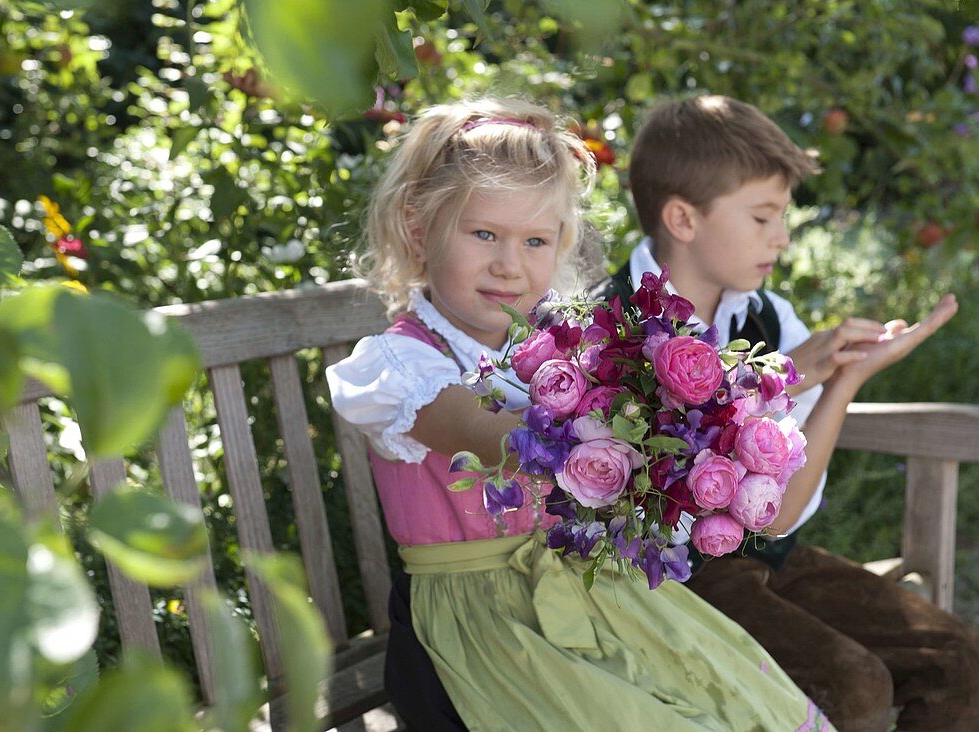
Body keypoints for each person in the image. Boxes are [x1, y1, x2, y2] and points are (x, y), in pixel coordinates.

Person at [326, 98, 834, 730]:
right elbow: (485, 433)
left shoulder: (553, 346)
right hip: (478, 628)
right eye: (484, 234)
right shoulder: (401, 365)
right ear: (416, 230)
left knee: (742, 705)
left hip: (589, 595)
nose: (509, 264)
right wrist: (625, 432)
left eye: (535, 240)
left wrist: (698, 437)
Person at [589, 94, 976, 731]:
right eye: (764, 216)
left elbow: (781, 516)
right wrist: (785, 374)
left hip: (770, 554)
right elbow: (667, 506)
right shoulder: (614, 331)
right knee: (852, 687)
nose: (782, 236)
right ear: (683, 219)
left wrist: (843, 379)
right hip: (669, 579)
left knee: (959, 658)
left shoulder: (765, 316)